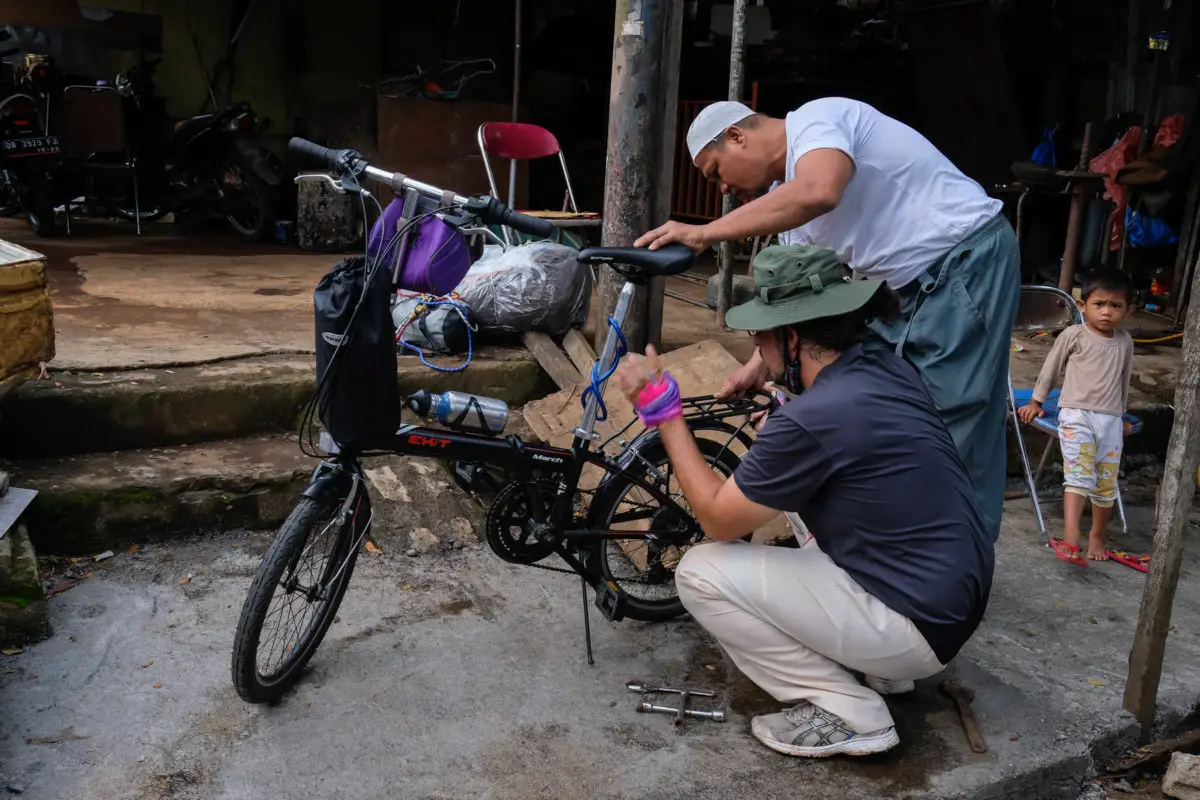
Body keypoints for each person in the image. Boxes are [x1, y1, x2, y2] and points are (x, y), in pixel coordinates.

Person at [613, 245, 994, 758]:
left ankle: (851, 712)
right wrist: (787, 418)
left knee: (700, 572)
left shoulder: (813, 419)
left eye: (761, 336)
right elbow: (843, 444)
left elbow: (717, 519)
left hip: (912, 624)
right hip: (952, 601)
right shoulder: (886, 369)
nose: (759, 348)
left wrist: (665, 413)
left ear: (792, 337)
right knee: (791, 495)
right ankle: (884, 669)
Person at [634, 97, 1020, 543]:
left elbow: (821, 190)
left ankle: (948, 562)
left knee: (951, 414)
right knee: (893, 402)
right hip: (908, 287)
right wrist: (762, 363)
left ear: (737, 136)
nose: (721, 189)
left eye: (715, 172)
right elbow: (799, 305)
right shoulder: (791, 206)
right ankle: (914, 548)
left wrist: (702, 232)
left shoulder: (820, 121)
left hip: (963, 262)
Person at [1018, 269, 1135, 565]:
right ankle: (1071, 534)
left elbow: (1124, 381)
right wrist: (1036, 401)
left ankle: (1096, 534)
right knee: (1079, 477)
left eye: (1116, 306)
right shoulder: (1073, 334)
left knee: (1105, 484)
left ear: (1128, 310)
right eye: (1099, 304)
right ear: (1083, 306)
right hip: (1076, 416)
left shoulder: (1125, 342)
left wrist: (1121, 415)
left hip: (1110, 419)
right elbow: (1051, 368)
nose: (1107, 312)